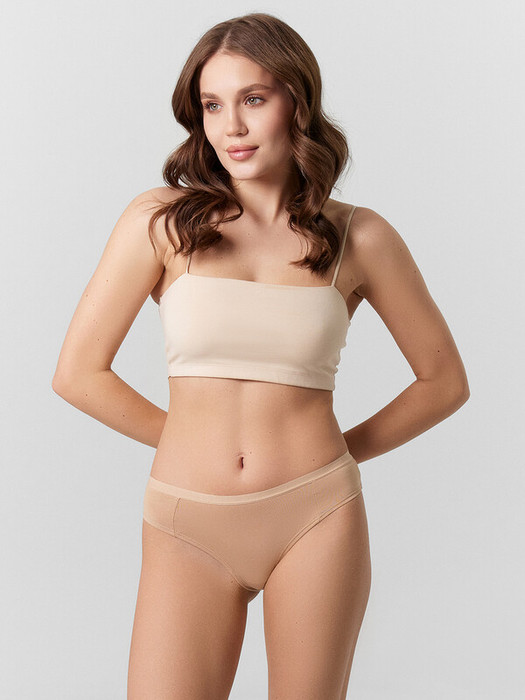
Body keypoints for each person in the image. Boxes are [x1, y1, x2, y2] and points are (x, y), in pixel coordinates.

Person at [52, 12, 470, 700]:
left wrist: (333, 458)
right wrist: (187, 440)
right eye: (212, 105)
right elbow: (77, 374)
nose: (232, 127)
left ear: (296, 102)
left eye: (253, 98)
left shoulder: (359, 237)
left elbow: (442, 381)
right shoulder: (160, 222)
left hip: (315, 517)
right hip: (186, 519)